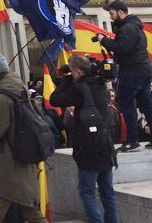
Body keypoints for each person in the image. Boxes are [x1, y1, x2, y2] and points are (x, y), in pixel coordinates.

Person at [0, 47, 47, 223]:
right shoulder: (19, 91)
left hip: (8, 165)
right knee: (31, 210)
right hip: (23, 160)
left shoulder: (3, 98)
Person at [50, 55, 118, 223]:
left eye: (72, 72)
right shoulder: (100, 84)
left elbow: (54, 99)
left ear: (78, 72)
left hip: (88, 148)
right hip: (105, 144)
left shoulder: (80, 88)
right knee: (107, 191)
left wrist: (65, 82)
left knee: (86, 192)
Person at [99, 0, 152, 152]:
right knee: (146, 104)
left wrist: (104, 40)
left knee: (126, 104)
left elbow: (121, 48)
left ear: (121, 12)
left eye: (112, 13)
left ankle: (132, 140)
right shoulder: (135, 27)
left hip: (132, 71)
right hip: (142, 71)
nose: (110, 17)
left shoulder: (127, 28)